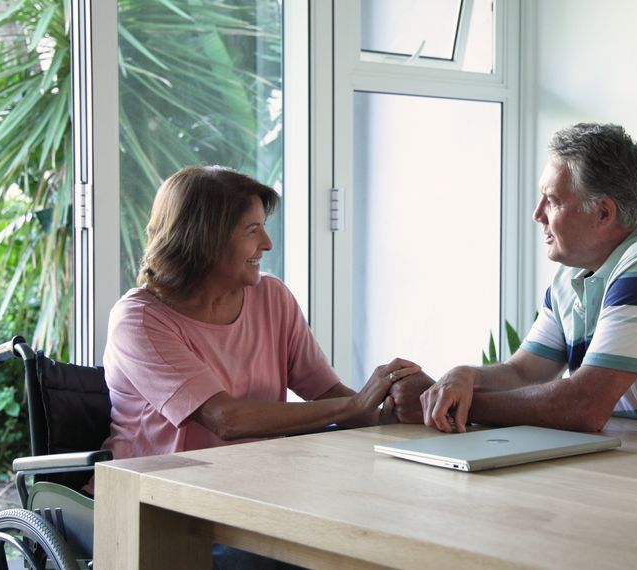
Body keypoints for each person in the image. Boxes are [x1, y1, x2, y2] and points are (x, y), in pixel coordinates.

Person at [414, 123, 637, 436]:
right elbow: (523, 373)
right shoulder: (572, 277)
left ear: (603, 212)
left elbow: (585, 406)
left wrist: (462, 406)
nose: (538, 214)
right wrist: (464, 378)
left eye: (551, 200)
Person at [102, 165, 425, 463]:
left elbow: (326, 392)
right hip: (152, 499)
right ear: (204, 238)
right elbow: (226, 419)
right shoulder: (139, 319)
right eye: (252, 230)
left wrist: (395, 417)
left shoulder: (271, 297)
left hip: (254, 482)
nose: (267, 243)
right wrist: (358, 403)